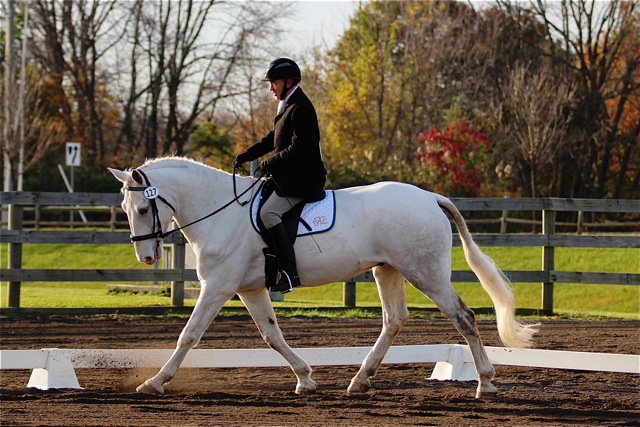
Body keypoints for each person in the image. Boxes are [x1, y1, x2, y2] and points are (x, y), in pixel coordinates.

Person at [234, 58, 327, 293]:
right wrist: (248, 154)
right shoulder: (288, 104)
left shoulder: (301, 107)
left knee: (269, 213)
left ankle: (288, 272)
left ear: (288, 82)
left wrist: (269, 163)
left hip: (303, 181)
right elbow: (273, 138)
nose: (270, 88)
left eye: (273, 83)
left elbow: (300, 148)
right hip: (289, 178)